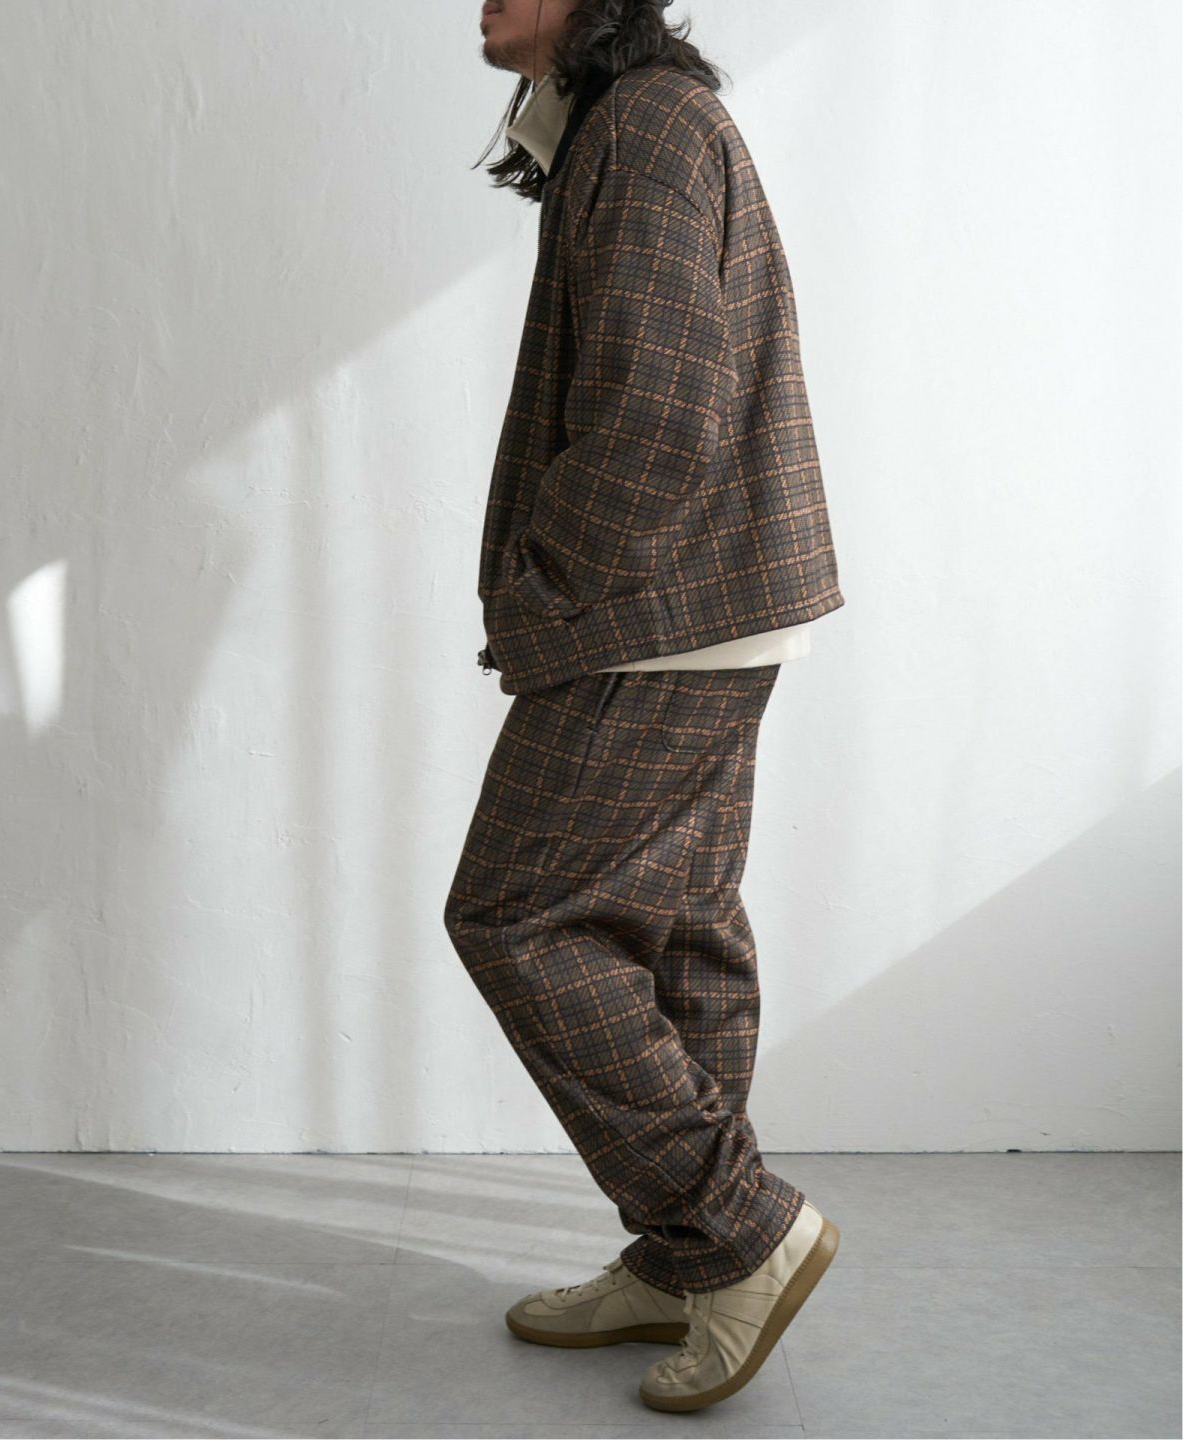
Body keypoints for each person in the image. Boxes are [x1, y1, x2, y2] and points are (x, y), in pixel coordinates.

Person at [444, 0, 845, 1413]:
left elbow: (663, 412)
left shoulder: (651, 125)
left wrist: (550, 588)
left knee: (515, 914)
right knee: (676, 929)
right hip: (707, 600)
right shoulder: (623, 123)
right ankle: (685, 1262)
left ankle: (739, 1231)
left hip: (661, 610)